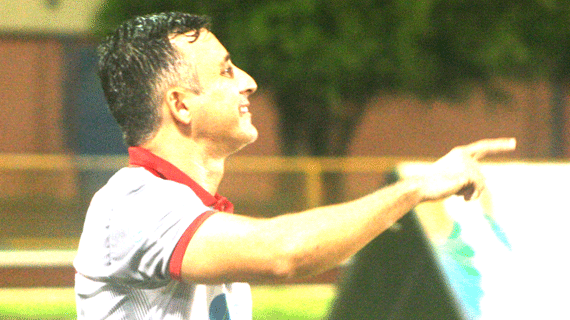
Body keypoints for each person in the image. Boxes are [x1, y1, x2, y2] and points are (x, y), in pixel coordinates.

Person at [73, 11, 516, 320]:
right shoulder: (134, 202)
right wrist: (414, 189)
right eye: (226, 71)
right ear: (180, 106)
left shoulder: (179, 205)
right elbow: (284, 254)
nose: (249, 82)